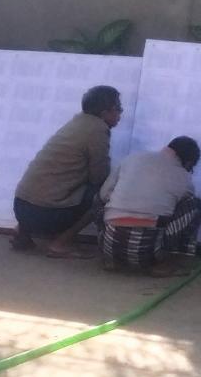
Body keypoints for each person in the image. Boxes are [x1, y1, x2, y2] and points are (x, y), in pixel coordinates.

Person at [11, 84, 123, 258]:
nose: (121, 114)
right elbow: (99, 176)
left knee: (46, 183)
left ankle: (22, 233)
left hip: (20, 206)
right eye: (118, 109)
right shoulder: (98, 130)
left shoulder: (76, 122)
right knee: (103, 193)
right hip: (43, 214)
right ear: (104, 113)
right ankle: (60, 244)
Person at [98, 136, 201, 275]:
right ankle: (167, 262)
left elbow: (103, 195)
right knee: (195, 205)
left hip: (110, 246)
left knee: (97, 199)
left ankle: (111, 261)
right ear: (189, 162)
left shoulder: (133, 158)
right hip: (148, 254)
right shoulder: (184, 177)